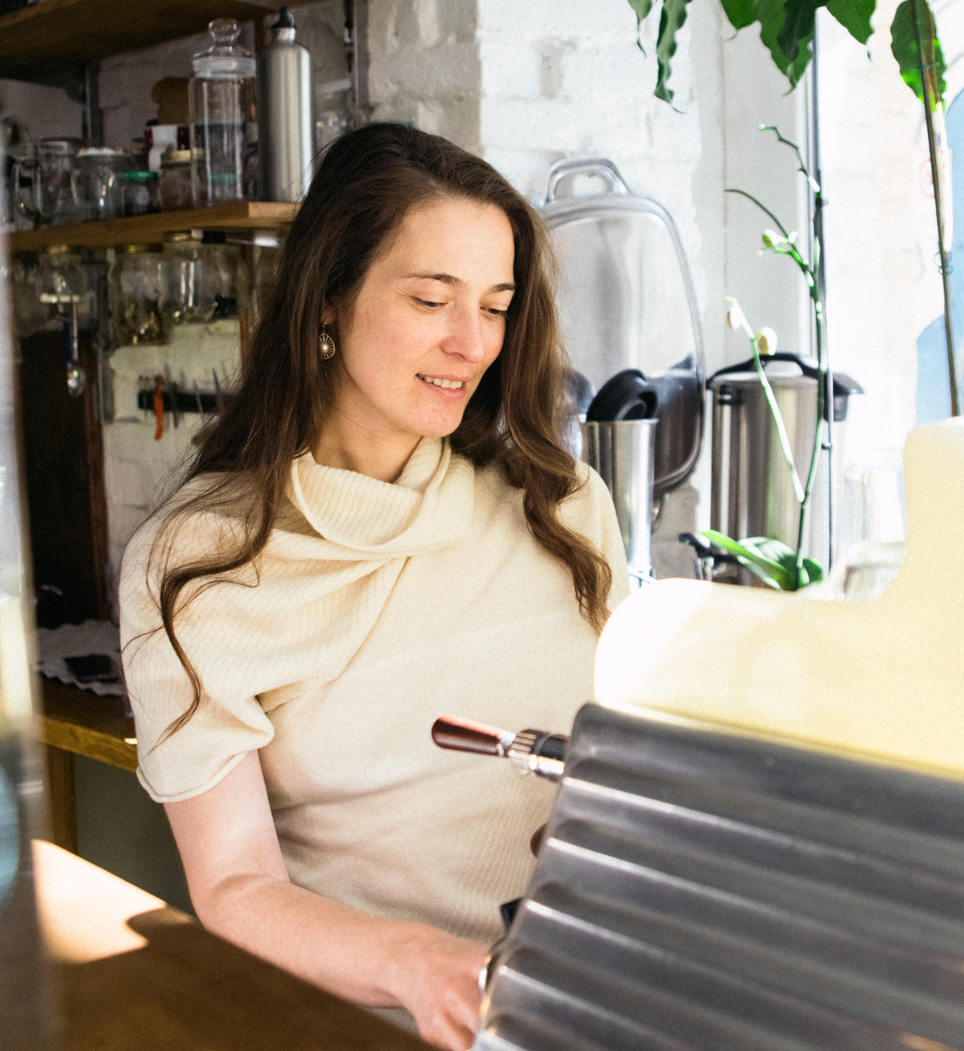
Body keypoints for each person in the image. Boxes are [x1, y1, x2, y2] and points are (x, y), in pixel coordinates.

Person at [119, 124, 628, 1048]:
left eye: (496, 304)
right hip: (362, 1022)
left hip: (578, 1006)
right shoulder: (200, 559)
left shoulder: (563, 507)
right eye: (432, 298)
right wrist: (415, 962)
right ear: (329, 300)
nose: (471, 342)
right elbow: (236, 885)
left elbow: (634, 773)